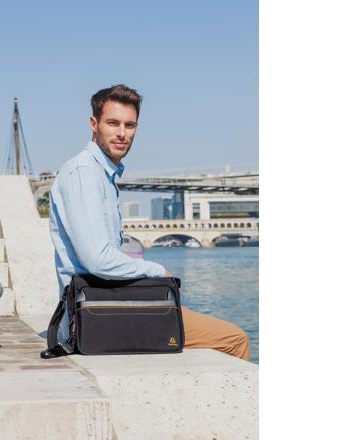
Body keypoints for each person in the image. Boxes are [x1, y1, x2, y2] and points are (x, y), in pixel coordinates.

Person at [48, 84, 250, 360]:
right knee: (234, 340)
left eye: (130, 125)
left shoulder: (102, 174)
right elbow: (96, 259)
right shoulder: (84, 173)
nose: (122, 133)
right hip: (95, 315)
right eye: (113, 123)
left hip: (105, 305)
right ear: (94, 124)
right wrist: (158, 271)